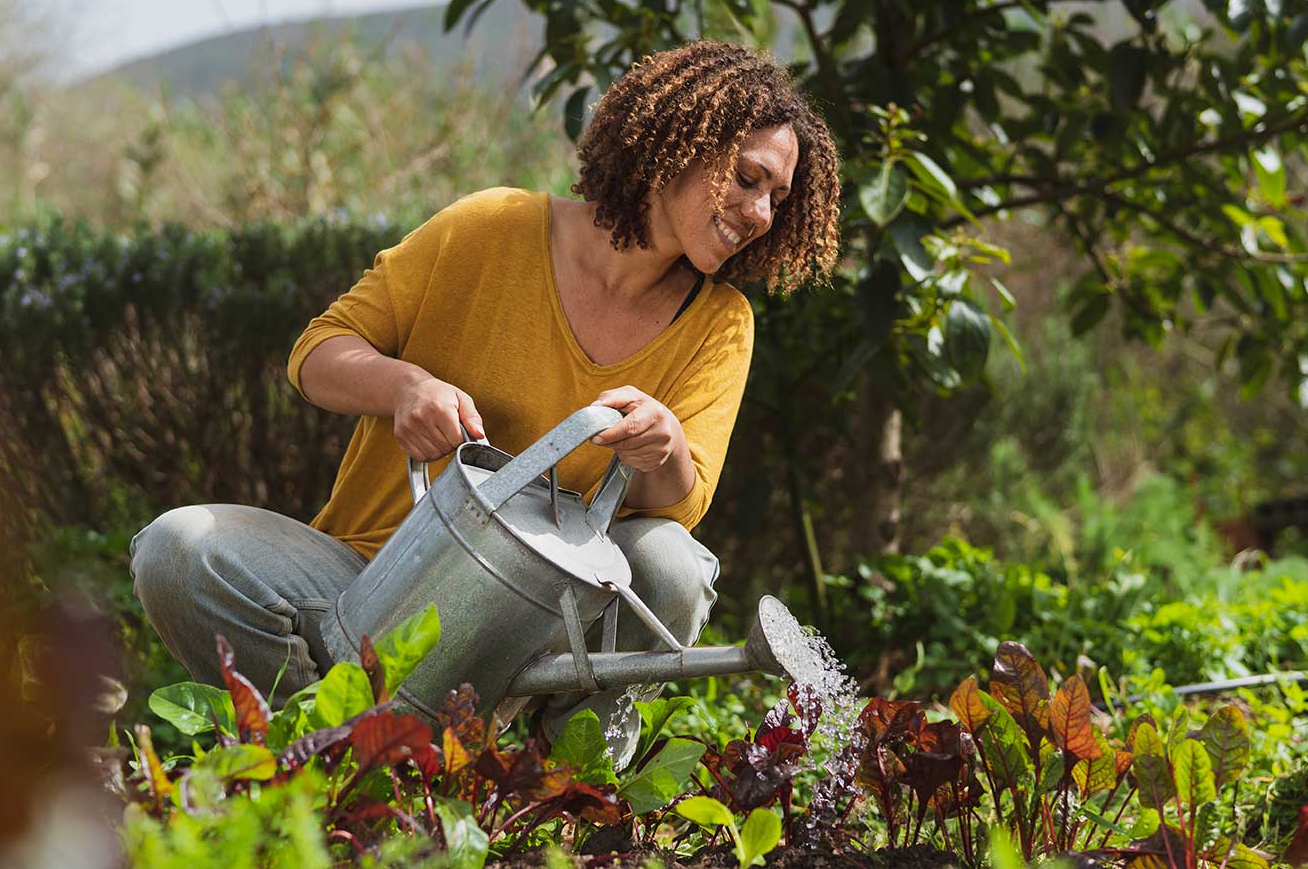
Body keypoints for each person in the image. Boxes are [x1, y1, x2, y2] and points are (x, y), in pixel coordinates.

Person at [127, 40, 842, 765]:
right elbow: (318, 352)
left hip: (525, 631)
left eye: (777, 200)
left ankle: (563, 787)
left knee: (673, 564)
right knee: (178, 550)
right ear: (677, 144)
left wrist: (663, 446)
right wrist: (405, 386)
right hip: (369, 581)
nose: (759, 212)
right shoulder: (492, 227)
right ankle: (332, 758)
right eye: (748, 178)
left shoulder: (720, 322)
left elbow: (681, 506)